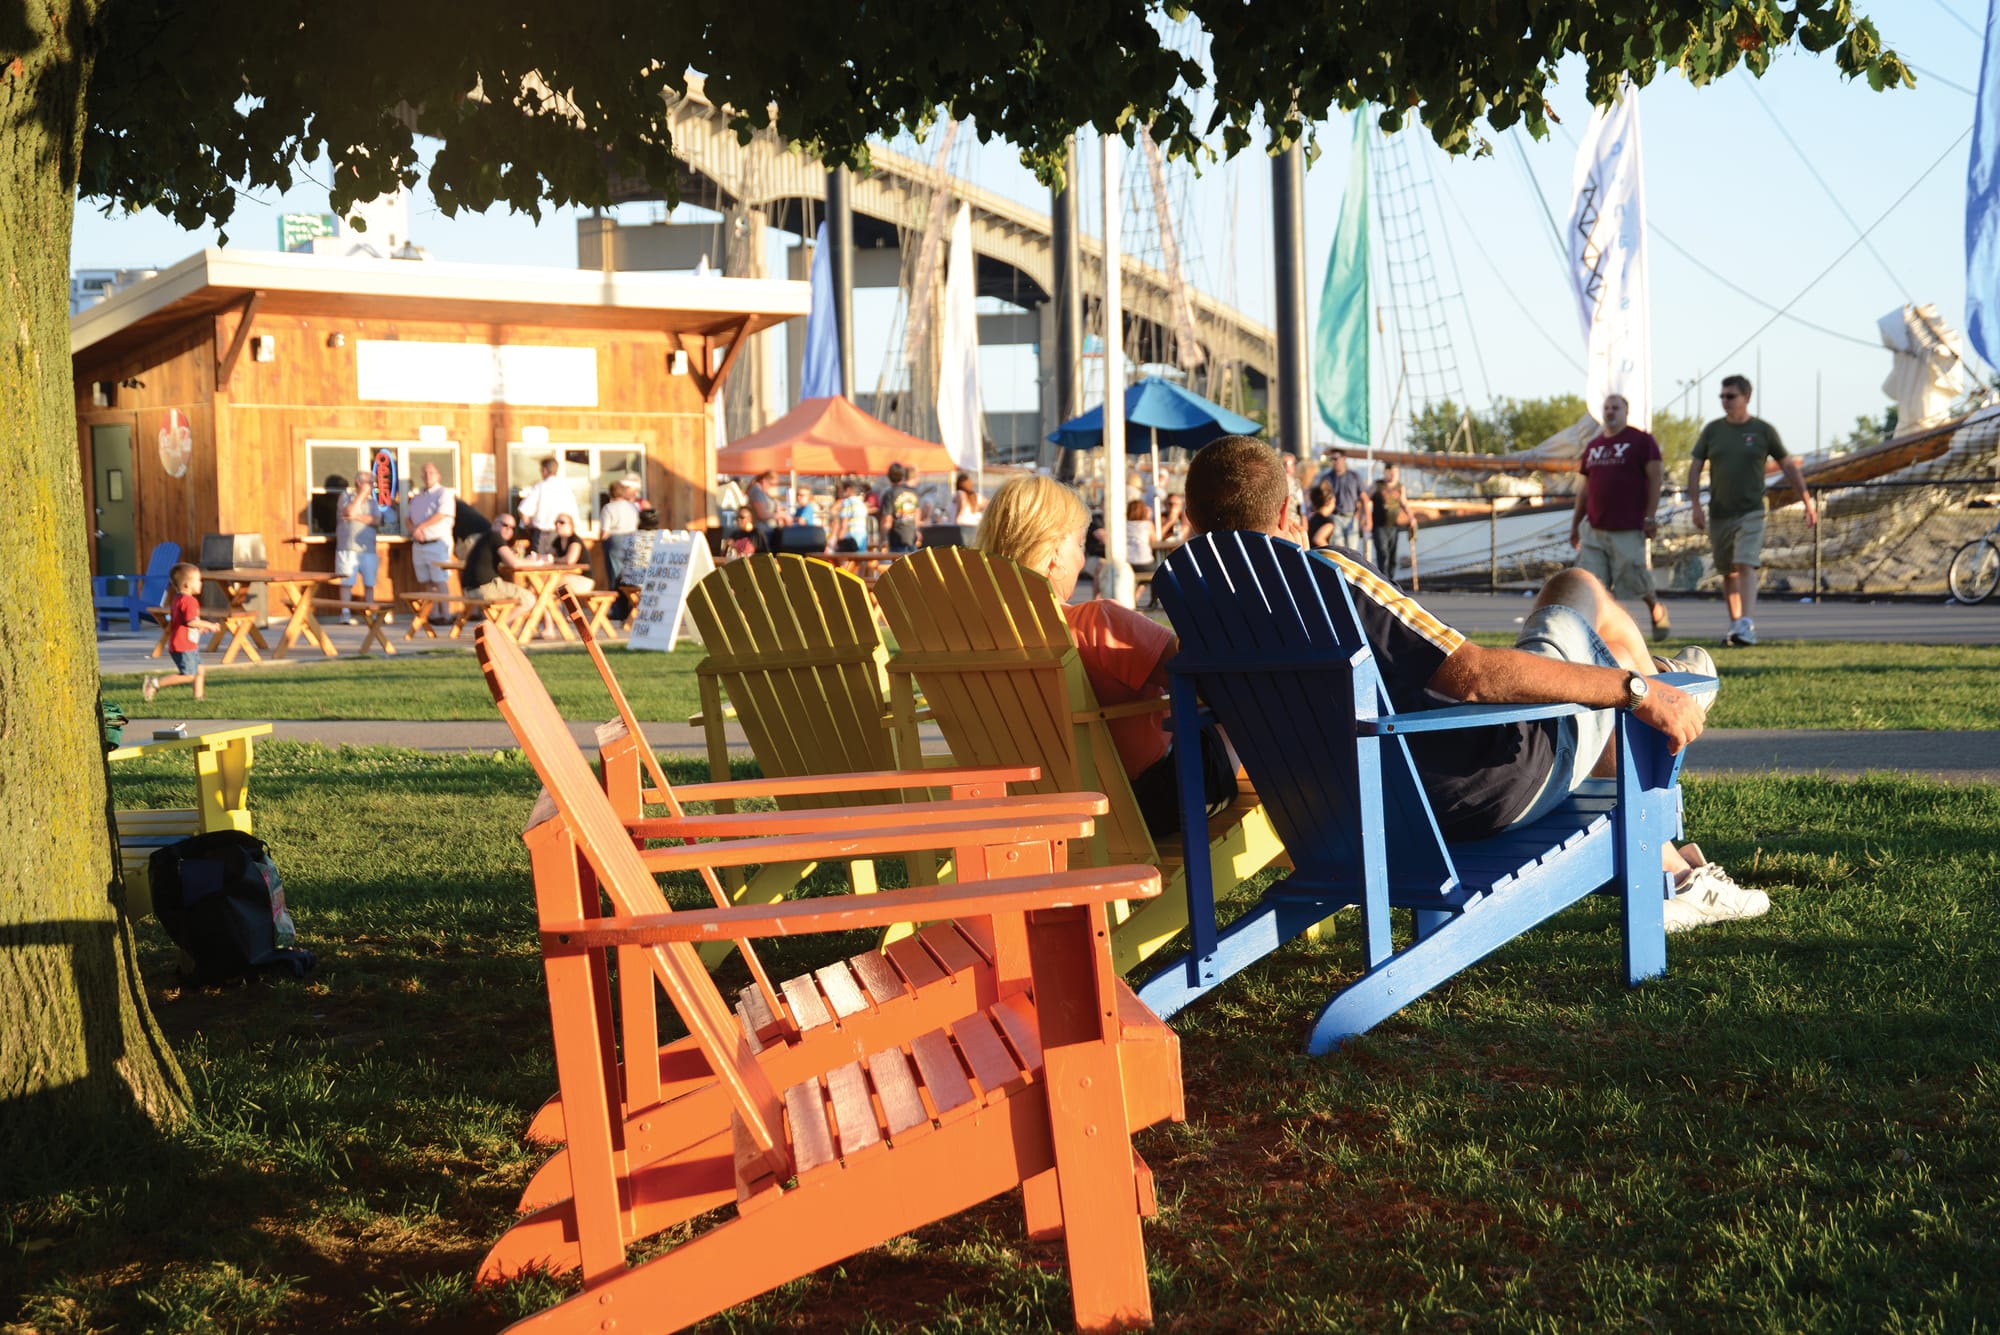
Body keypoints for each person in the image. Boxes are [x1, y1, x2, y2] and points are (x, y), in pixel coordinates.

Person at [1183, 436, 1764, 931]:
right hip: (1490, 783)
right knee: (1579, 596)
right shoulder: (1332, 575)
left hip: (1358, 816)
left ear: (1191, 523)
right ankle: (1671, 722)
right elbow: (1476, 677)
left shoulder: (1202, 617)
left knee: (1582, 615)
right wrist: (1635, 691)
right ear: (1290, 513)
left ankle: (1671, 860)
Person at [977, 475, 1237, 836]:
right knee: (1241, 706)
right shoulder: (1099, 624)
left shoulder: (978, 641)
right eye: (1078, 543)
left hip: (1035, 805)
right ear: (1054, 554)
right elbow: (1212, 678)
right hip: (1148, 803)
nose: (1082, 557)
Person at [1687, 374, 1817, 646]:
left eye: (1731, 396)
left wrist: (1807, 501)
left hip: (1752, 510)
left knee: (1744, 562)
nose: (1725, 401)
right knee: (1727, 571)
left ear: (1746, 397)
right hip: (1720, 511)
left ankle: (1747, 623)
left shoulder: (1763, 431)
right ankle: (1736, 626)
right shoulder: (1712, 431)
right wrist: (1696, 506)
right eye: (1722, 397)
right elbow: (1695, 467)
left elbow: (1788, 466)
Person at [1567, 395, 1669, 640]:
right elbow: (1584, 488)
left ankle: (1655, 607)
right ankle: (1597, 632)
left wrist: (1650, 517)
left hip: (1628, 525)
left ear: (1626, 411)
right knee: (1591, 581)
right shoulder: (1594, 446)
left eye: (1616, 408)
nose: (1610, 412)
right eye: (1607, 408)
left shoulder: (1642, 441)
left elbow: (1656, 478)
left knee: (1633, 578)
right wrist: (1575, 525)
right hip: (1594, 527)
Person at [142, 563, 219, 703]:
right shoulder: (189, 601)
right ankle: (154, 683)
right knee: (189, 675)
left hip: (185, 643)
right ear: (187, 584)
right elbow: (190, 621)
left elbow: (184, 622)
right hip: (183, 645)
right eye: (198, 580)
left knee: (200, 670)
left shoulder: (178, 599)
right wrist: (209, 625)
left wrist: (200, 628)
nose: (201, 583)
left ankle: (199, 698)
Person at [406, 461, 456, 626]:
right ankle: (433, 615)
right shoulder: (417, 498)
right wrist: (415, 531)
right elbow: (407, 518)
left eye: (431, 473)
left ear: (438, 475)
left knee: (440, 580)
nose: (428, 476)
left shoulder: (444, 494)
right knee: (427, 581)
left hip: (437, 543)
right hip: (419, 545)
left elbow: (441, 514)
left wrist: (420, 527)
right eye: (425, 473)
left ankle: (446, 614)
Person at [462, 513, 542, 614]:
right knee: (529, 599)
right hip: (485, 588)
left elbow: (507, 560)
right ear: (495, 524)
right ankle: (500, 627)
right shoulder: (495, 536)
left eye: (512, 528)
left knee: (519, 597)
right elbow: (514, 563)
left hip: (470, 589)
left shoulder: (486, 538)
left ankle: (500, 626)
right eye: (505, 525)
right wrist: (536, 563)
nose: (508, 529)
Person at [334, 473, 379, 622]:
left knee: (369, 583)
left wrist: (357, 517)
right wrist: (362, 495)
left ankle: (369, 613)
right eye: (370, 482)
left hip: (368, 548)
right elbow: (349, 511)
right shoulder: (346, 496)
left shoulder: (372, 503)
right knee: (346, 583)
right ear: (359, 482)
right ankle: (345, 614)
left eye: (373, 483)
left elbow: (376, 520)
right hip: (347, 547)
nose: (373, 485)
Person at [517, 457, 579, 555]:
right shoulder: (566, 489)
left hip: (542, 534)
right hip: (563, 535)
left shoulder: (540, 487)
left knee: (540, 565)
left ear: (544, 470)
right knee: (559, 565)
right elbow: (574, 517)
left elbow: (523, 509)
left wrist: (529, 526)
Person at [1312, 449, 1370, 552]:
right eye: (1331, 459)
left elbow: (1364, 499)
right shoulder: (1327, 478)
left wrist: (1368, 519)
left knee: (1352, 551)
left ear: (1344, 459)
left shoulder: (1354, 477)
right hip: (1335, 518)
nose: (1333, 462)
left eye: (1335, 459)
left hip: (1351, 518)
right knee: (1339, 549)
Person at [1370, 463, 1418, 580]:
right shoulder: (1378, 485)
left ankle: (1391, 579)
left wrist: (1411, 517)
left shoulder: (1399, 487)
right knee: (1383, 553)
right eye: (1391, 472)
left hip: (1393, 526)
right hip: (1379, 526)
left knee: (1392, 555)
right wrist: (1365, 518)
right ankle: (1383, 578)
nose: (1393, 475)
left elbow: (1404, 503)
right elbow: (1366, 498)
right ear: (1386, 472)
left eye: (1396, 473)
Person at [598, 477, 641, 593]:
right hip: (633, 538)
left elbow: (605, 532)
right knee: (631, 574)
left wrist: (601, 541)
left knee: (615, 574)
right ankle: (631, 604)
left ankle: (618, 607)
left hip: (615, 540)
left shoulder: (608, 508)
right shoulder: (633, 507)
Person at [883, 463, 922, 551]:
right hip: (911, 537)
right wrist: (917, 530)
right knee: (912, 564)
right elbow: (917, 514)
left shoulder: (890, 493)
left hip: (897, 538)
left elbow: (886, 521)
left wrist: (882, 539)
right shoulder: (913, 492)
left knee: (898, 564)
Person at [745, 470, 783, 547]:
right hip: (762, 532)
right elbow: (762, 514)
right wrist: (780, 515)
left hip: (767, 531)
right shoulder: (757, 491)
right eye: (771, 484)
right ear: (764, 481)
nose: (773, 487)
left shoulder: (761, 492)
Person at [831, 481, 869, 553]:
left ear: (847, 490)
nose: (839, 493)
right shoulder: (861, 503)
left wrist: (838, 541)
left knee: (839, 559)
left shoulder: (847, 502)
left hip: (850, 540)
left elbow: (844, 525)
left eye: (841, 490)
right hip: (862, 538)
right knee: (859, 562)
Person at [1305, 481, 1340, 551]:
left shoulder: (1312, 517)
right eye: (1334, 502)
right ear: (1329, 502)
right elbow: (1318, 539)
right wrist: (1331, 551)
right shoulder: (1328, 523)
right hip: (1318, 556)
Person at [1126, 499, 1158, 574]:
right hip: (1145, 560)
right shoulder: (1147, 524)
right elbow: (1154, 540)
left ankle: (1140, 585)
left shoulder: (1123, 524)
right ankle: (1143, 585)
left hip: (1128, 561)